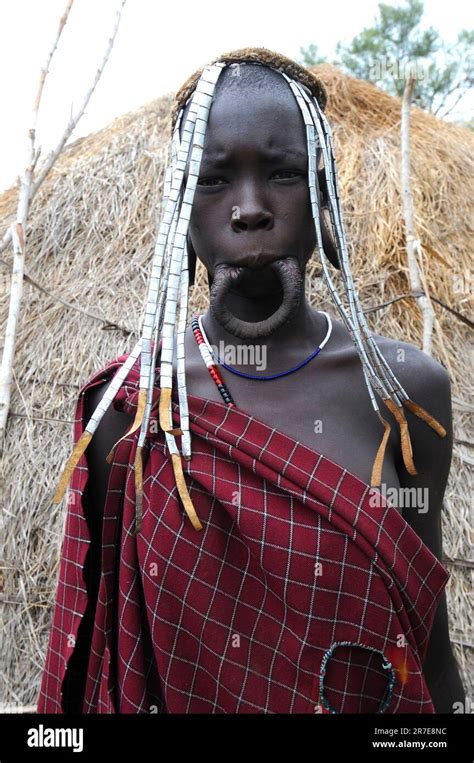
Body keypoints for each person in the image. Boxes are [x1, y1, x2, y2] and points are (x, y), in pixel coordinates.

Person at [37, 48, 465, 714]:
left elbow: (428, 650)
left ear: (322, 191)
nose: (249, 209)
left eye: (282, 173)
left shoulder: (404, 393)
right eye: (213, 180)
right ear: (180, 209)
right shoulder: (129, 411)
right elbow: (93, 676)